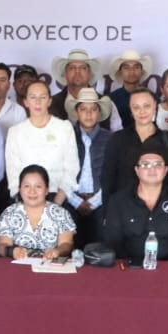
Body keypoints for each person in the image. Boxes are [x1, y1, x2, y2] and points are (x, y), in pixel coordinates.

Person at [102, 146, 168, 262]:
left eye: (158, 164)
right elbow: (113, 242)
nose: (152, 169)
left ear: (166, 170)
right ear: (137, 170)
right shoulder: (118, 201)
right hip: (128, 267)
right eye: (146, 165)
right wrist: (131, 266)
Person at [101, 88, 168, 202]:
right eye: (136, 107)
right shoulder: (117, 140)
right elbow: (107, 180)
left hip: (161, 206)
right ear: (131, 110)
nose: (142, 111)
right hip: (124, 207)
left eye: (146, 106)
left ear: (155, 106)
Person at [5, 81, 78, 205]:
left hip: (57, 196)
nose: (37, 102)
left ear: (49, 101)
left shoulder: (64, 128)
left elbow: (71, 169)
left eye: (42, 97)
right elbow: (13, 174)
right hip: (26, 198)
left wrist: (56, 203)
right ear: (26, 102)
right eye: (33, 97)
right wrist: (26, 203)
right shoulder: (15, 132)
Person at [0, 165, 76, 259]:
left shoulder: (61, 214)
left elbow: (67, 244)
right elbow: (2, 245)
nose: (32, 191)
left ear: (46, 190)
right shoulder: (9, 213)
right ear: (19, 189)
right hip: (17, 265)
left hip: (50, 265)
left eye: (38, 186)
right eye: (27, 186)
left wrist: (57, 251)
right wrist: (12, 251)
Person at [66, 87, 112, 245]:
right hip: (70, 198)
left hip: (100, 199)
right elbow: (59, 172)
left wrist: (95, 201)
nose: (88, 114)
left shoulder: (110, 139)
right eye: (83, 109)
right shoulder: (67, 136)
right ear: (76, 112)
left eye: (93, 109)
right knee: (68, 237)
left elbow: (113, 174)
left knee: (102, 236)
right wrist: (76, 201)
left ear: (99, 113)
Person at [49, 49, 100, 121]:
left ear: (89, 73)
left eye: (83, 68)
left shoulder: (103, 102)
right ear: (65, 73)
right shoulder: (51, 104)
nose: (77, 72)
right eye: (72, 68)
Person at [108, 50, 152, 129]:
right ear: (120, 72)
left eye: (136, 67)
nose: (131, 71)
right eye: (126, 68)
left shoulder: (151, 98)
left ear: (141, 71)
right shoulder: (111, 99)